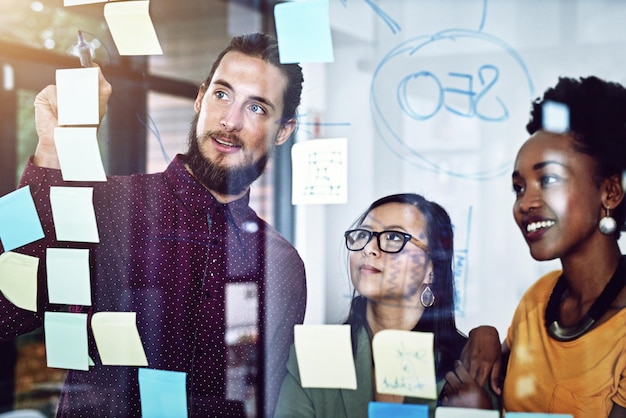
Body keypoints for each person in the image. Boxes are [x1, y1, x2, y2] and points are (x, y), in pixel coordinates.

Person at [0, 32, 307, 418]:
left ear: (284, 131)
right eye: (222, 95)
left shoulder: (282, 264)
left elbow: (266, 401)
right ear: (200, 98)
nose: (230, 121)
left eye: (257, 108)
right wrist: (51, 153)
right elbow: (6, 310)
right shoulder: (107, 205)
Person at [456, 75, 626, 417]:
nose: (525, 203)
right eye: (519, 187)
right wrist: (485, 334)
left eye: (548, 180)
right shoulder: (540, 298)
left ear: (609, 193)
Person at [274, 193, 493, 418]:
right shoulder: (316, 355)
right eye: (364, 235)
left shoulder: (471, 366)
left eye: (394, 237)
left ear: (432, 269)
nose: (369, 248)